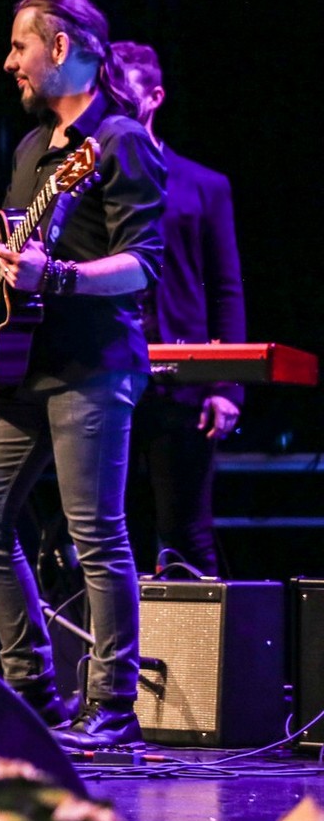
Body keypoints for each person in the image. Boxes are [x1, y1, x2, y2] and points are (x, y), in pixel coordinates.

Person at [0, 0, 166, 751]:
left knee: (97, 534)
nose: (10, 64)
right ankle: (33, 685)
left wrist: (60, 278)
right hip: (21, 369)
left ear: (61, 47)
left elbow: (143, 267)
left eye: (18, 47)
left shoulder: (122, 141)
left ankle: (111, 704)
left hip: (92, 367)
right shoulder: (33, 149)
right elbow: (19, 243)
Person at [115, 41, 245, 578]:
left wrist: (225, 385)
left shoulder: (203, 185)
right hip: (111, 377)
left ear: (155, 97)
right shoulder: (90, 180)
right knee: (110, 530)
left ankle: (202, 660)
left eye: (125, 93)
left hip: (181, 383)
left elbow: (225, 288)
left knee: (185, 531)